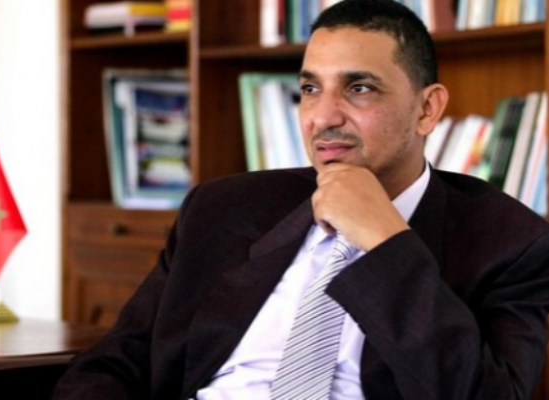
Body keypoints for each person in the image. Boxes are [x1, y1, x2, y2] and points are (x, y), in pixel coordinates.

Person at [52, 0, 549, 399]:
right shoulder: (221, 209)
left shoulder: (510, 242)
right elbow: (113, 366)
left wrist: (385, 241)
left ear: (427, 109)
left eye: (359, 88)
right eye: (310, 88)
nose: (323, 117)